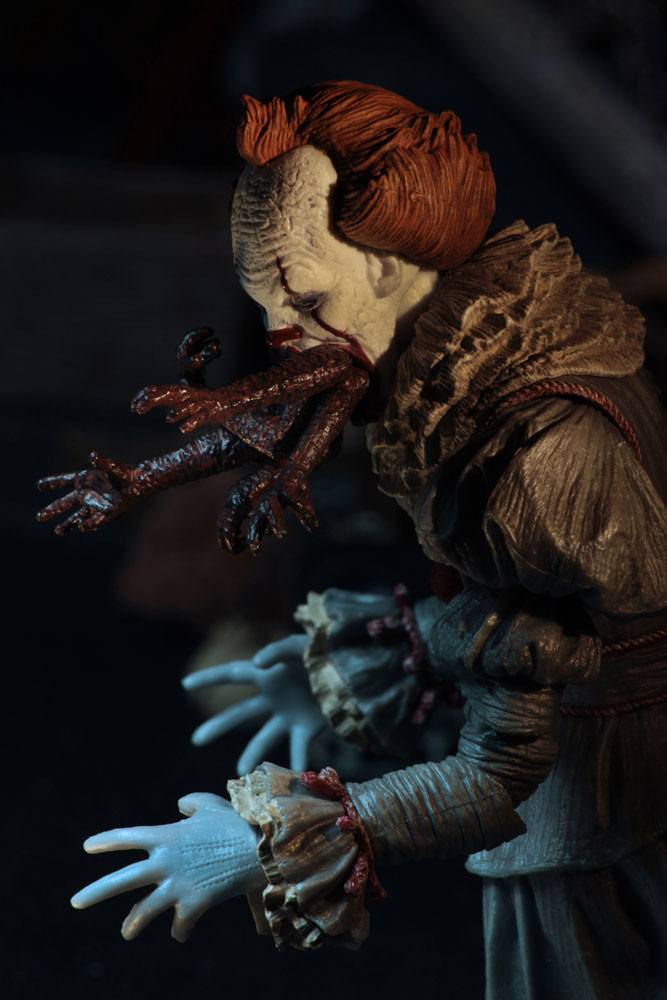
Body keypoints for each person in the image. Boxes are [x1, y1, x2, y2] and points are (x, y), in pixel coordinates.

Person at [41, 82, 667, 999]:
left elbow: (503, 768)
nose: (281, 334)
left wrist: (264, 842)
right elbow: (522, 619)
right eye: (264, 303)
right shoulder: (485, 359)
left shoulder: (542, 455)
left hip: (605, 800)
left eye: (302, 294)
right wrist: (381, 659)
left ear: (383, 267)